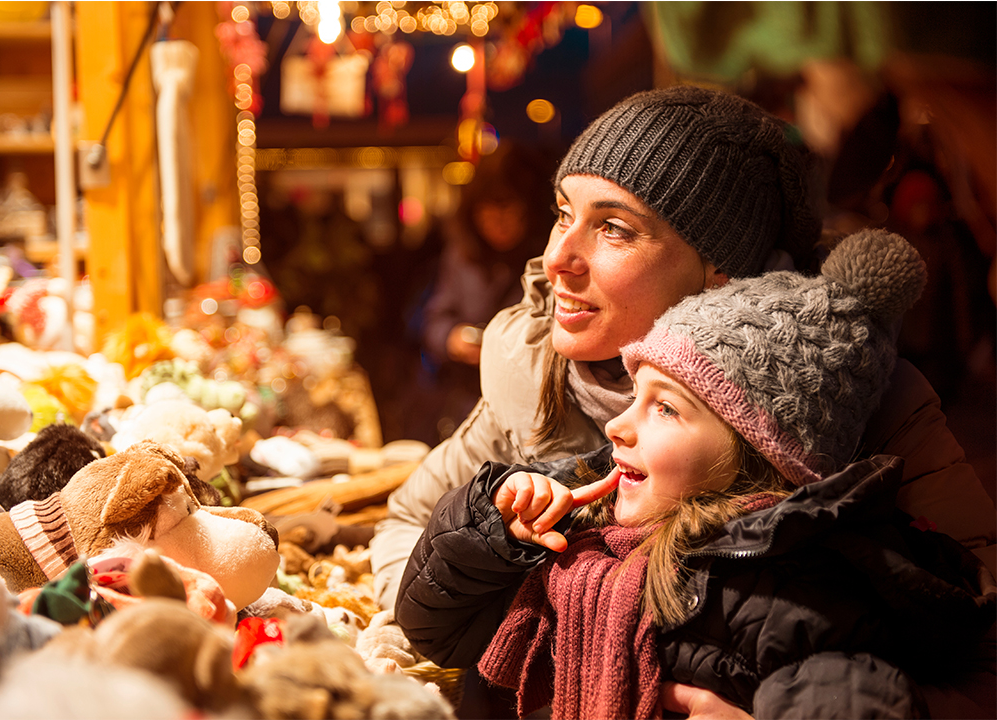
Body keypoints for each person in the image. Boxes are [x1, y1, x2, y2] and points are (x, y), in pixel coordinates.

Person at [370, 85, 996, 616]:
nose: (557, 257)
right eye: (565, 214)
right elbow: (408, 522)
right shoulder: (534, 373)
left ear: (718, 270)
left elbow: (983, 624)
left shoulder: (853, 391)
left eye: (613, 227)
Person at [396, 229, 997, 719]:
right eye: (636, 394)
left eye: (665, 407)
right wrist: (489, 535)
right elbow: (436, 631)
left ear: (757, 454)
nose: (618, 427)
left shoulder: (795, 595)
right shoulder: (583, 533)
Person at [413, 140, 555, 443]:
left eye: (509, 208)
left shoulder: (550, 259)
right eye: (488, 210)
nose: (498, 222)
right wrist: (452, 339)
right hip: (468, 401)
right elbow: (434, 319)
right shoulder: (462, 255)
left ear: (527, 209)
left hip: (532, 406)